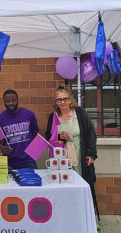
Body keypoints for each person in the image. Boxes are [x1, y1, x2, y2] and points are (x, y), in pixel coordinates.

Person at [45, 85, 98, 214]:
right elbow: (48, 137)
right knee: (65, 184)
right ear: (56, 102)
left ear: (70, 100)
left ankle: (88, 216)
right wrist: (59, 136)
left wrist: (91, 154)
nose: (62, 102)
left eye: (65, 99)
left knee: (84, 185)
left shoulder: (79, 113)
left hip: (80, 155)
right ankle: (69, 214)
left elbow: (91, 133)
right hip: (61, 157)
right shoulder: (53, 117)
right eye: (59, 100)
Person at [0, 89, 39, 170]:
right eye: (8, 101)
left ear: (18, 100)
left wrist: (32, 150)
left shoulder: (29, 114)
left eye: (13, 100)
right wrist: (1, 148)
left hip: (28, 161)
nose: (11, 103)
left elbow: (35, 133)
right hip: (9, 163)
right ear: (4, 101)